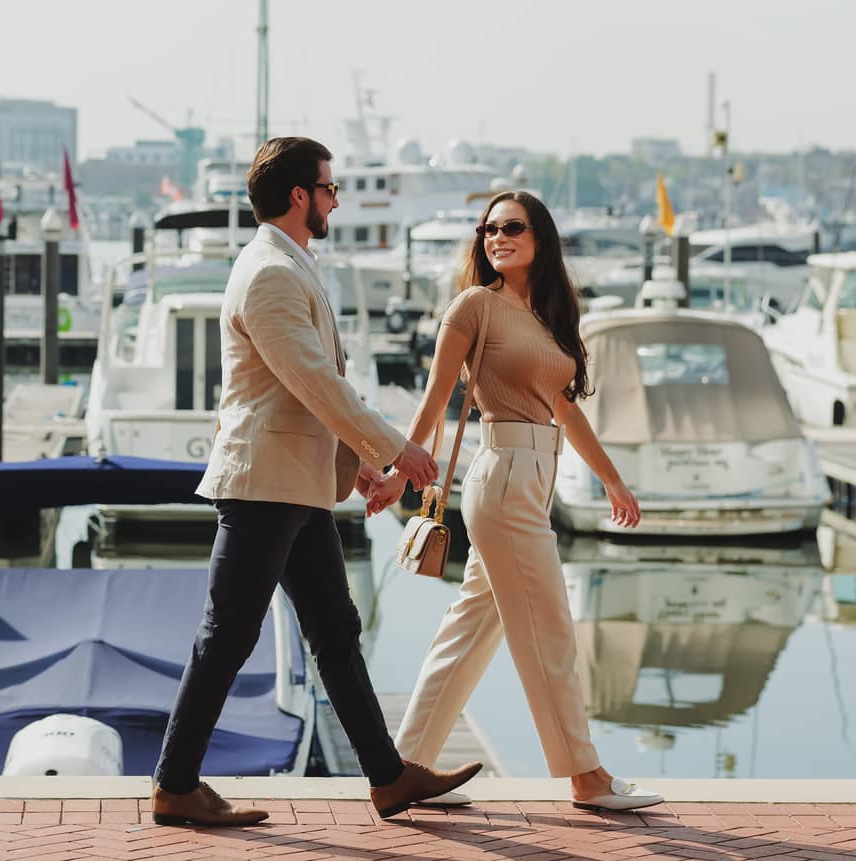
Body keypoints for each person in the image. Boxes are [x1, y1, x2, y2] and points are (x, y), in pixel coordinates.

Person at [150, 136, 483, 827]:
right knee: (228, 636)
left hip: (294, 485)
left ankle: (388, 778)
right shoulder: (269, 272)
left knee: (335, 628)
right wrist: (396, 448)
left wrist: (356, 466)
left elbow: (295, 393)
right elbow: (314, 380)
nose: (335, 200)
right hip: (263, 486)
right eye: (329, 189)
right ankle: (175, 783)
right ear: (300, 195)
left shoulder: (287, 264)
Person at [366, 190, 663, 812]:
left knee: (471, 629)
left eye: (511, 227)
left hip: (532, 479)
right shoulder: (475, 306)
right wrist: (398, 470)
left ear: (540, 238)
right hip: (501, 479)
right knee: (550, 629)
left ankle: (405, 767)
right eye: (487, 229)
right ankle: (586, 775)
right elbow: (434, 400)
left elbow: (565, 409)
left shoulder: (546, 317)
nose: (496, 237)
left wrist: (611, 480)